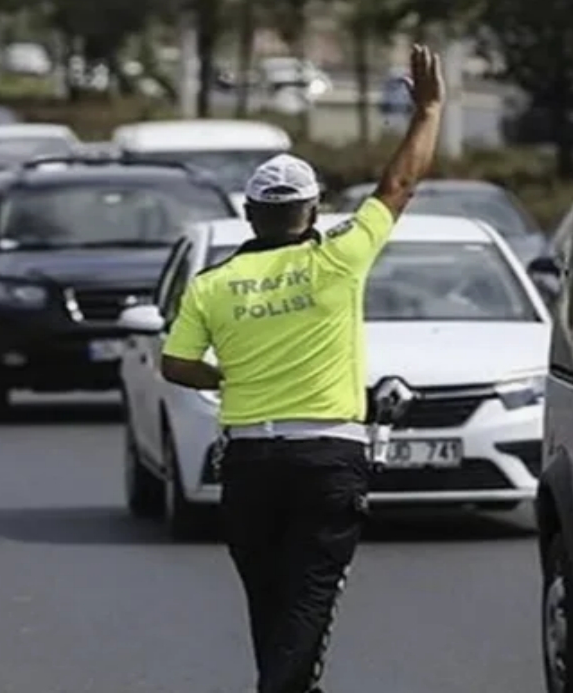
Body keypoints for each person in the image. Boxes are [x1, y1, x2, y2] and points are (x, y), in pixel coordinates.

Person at [158, 44, 446, 693]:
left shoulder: (214, 283)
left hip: (251, 463)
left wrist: (227, 378)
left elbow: (176, 365)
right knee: (309, 597)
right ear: (313, 212)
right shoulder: (340, 258)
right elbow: (399, 185)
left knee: (269, 597)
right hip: (327, 456)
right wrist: (427, 110)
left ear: (250, 213)